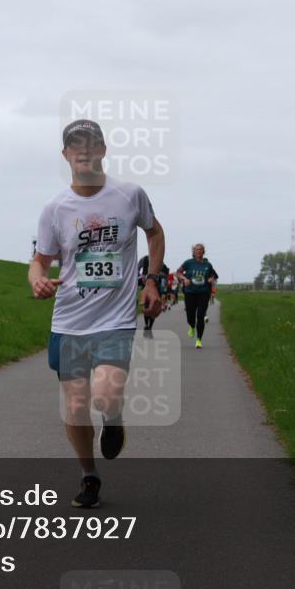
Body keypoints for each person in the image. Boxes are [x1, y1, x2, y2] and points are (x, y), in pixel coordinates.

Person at [29, 119, 164, 508]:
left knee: (104, 396)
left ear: (103, 150)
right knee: (74, 404)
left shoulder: (129, 195)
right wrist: (36, 279)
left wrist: (151, 280)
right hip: (69, 321)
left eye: (91, 144)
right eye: (75, 145)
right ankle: (89, 476)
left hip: (115, 321)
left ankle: (114, 417)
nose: (83, 151)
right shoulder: (55, 208)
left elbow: (154, 233)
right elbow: (39, 261)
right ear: (65, 155)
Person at [176, 244, 218, 349]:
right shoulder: (188, 263)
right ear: (194, 252)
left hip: (204, 293)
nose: (198, 252)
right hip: (190, 292)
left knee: (200, 316)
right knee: (190, 316)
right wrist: (184, 279)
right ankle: (191, 326)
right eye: (196, 250)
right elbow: (178, 272)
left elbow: (214, 276)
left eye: (200, 250)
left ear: (203, 252)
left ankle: (199, 339)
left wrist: (211, 279)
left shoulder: (208, 265)